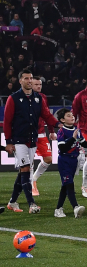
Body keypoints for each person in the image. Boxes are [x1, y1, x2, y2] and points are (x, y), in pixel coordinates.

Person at [4, 69, 57, 213]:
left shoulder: (38, 98)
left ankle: (13, 202)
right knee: (26, 169)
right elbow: (7, 121)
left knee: (23, 172)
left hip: (32, 139)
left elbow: (46, 114)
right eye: (26, 78)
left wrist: (58, 124)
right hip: (19, 140)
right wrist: (9, 141)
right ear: (20, 81)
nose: (29, 81)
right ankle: (31, 204)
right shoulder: (13, 98)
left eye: (30, 78)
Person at [53, 108, 87, 218]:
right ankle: (76, 207)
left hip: (74, 161)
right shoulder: (61, 131)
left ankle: (58, 209)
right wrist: (73, 139)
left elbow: (84, 143)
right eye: (69, 115)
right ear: (62, 120)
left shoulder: (76, 130)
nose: (72, 117)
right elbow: (62, 148)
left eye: (72, 115)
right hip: (64, 160)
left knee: (66, 185)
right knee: (69, 183)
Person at [28, 76, 54, 198]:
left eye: (40, 84)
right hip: (27, 134)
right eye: (36, 84)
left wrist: (52, 131)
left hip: (40, 132)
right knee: (29, 161)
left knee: (48, 159)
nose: (39, 86)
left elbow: (47, 115)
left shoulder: (43, 97)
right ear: (30, 85)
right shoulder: (23, 97)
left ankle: (34, 178)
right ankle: (31, 185)